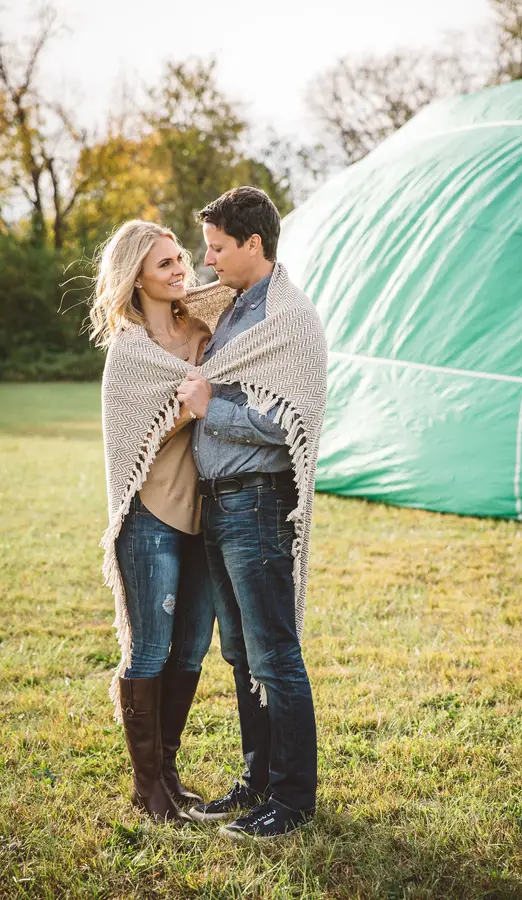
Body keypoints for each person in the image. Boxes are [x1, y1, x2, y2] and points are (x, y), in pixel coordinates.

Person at [176, 186, 328, 841]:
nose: (206, 260)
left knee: (274, 656)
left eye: (216, 247)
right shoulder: (233, 310)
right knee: (240, 654)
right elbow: (177, 307)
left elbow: (286, 420)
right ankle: (258, 780)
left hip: (259, 504)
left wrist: (213, 409)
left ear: (252, 245)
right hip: (220, 505)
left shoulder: (286, 318)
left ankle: (292, 800)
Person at [90, 220, 217, 824]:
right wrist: (183, 412)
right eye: (164, 263)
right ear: (135, 274)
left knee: (191, 649)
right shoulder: (130, 351)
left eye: (180, 259)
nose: (179, 270)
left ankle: (165, 771)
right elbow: (130, 443)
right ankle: (150, 789)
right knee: (151, 651)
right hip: (151, 517)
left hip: (206, 515)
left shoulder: (205, 328)